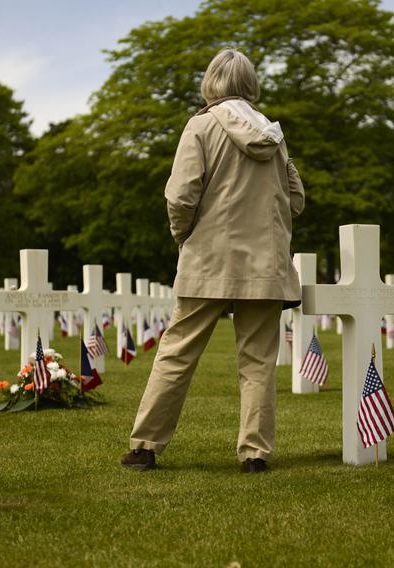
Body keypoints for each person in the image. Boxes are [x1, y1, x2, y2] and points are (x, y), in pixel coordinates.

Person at [120, 48, 305, 473]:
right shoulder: (274, 136)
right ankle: (255, 455)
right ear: (250, 84)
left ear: (211, 83)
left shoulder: (199, 126)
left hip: (208, 259)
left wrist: (182, 236)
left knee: (177, 353)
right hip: (265, 265)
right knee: (258, 362)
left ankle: (145, 446)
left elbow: (180, 196)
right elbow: (295, 200)